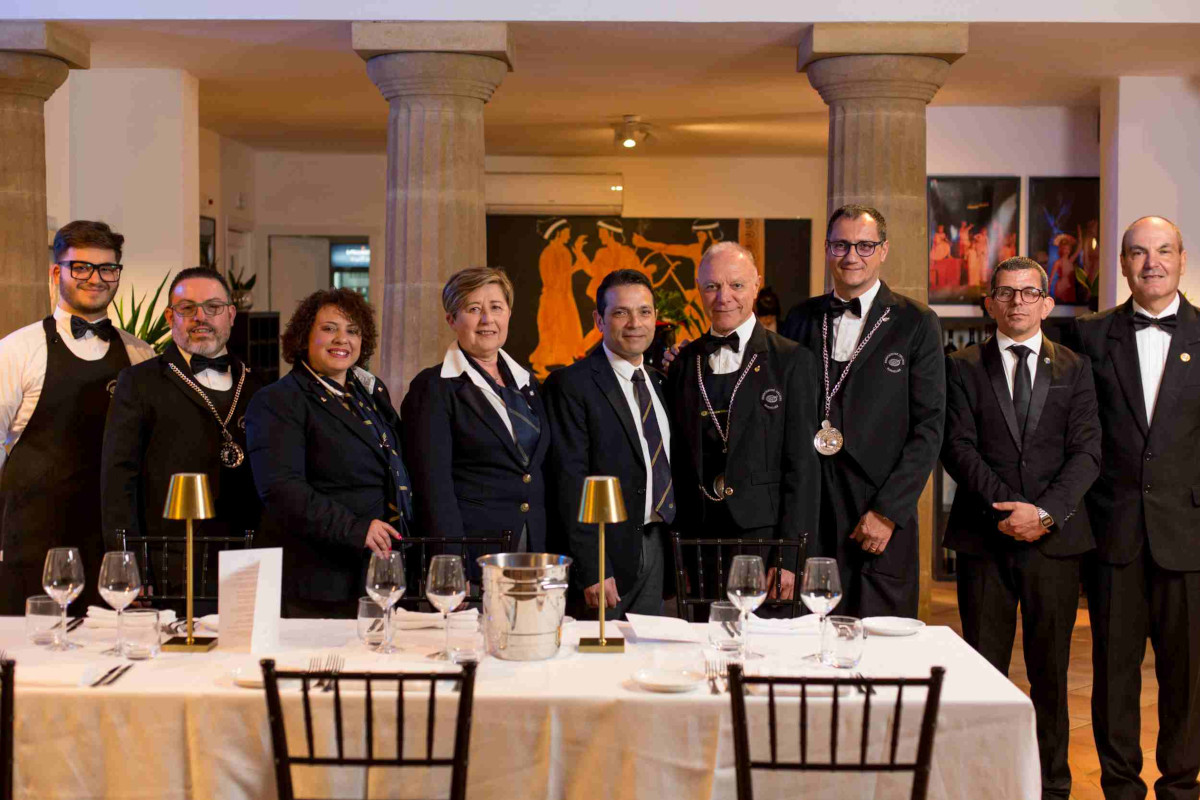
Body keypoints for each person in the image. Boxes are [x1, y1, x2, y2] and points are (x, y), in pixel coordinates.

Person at [942, 257, 1101, 800]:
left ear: (1046, 304)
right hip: (983, 540)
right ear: (990, 302)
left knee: (1050, 675)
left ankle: (1052, 784)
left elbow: (1087, 453)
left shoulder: (1075, 368)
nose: (1016, 302)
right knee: (982, 673)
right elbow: (957, 447)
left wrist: (1045, 513)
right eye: (1005, 293)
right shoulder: (961, 365)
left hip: (1054, 542)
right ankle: (982, 783)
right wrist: (1004, 509)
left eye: (1028, 293)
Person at [1064, 215, 1200, 800]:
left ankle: (1181, 787)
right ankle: (1119, 787)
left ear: (1182, 258)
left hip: (1189, 534)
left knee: (1188, 679)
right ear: (1121, 264)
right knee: (1114, 678)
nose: (1152, 264)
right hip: (1113, 534)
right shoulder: (1087, 337)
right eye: (1139, 253)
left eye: (1163, 251)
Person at [779, 205, 945, 617]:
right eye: (841, 244)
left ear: (883, 250)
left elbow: (929, 427)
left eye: (865, 245)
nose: (852, 255)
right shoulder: (799, 318)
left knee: (881, 642)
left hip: (878, 505)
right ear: (827, 248)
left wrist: (888, 512)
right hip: (811, 504)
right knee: (806, 632)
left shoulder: (917, 322)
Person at [0, 221, 155, 614]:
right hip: (32, 546)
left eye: (107, 269)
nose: (96, 278)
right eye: (81, 267)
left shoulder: (141, 355)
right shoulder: (16, 351)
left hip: (112, 554)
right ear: (57, 272)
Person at [666, 242, 819, 603]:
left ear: (756, 286)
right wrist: (681, 554)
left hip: (764, 540)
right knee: (706, 648)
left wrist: (788, 557)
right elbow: (679, 464)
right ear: (699, 289)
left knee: (765, 652)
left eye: (736, 285)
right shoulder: (684, 364)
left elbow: (803, 468)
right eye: (712, 286)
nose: (723, 298)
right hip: (699, 540)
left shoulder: (793, 361)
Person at [101, 267, 265, 603]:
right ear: (169, 317)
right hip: (169, 564)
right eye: (187, 308)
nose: (200, 317)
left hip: (248, 559)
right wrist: (128, 565)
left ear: (231, 315)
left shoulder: (260, 387)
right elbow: (118, 481)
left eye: (213, 307)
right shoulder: (139, 383)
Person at [246, 288, 411, 618]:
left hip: (371, 571)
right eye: (329, 328)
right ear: (303, 336)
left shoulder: (368, 393)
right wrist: (356, 528)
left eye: (352, 331)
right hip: (314, 578)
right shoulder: (278, 400)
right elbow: (281, 490)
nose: (342, 340)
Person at [402, 267, 550, 578]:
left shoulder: (529, 384)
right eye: (473, 309)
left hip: (533, 545)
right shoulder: (433, 389)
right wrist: (451, 566)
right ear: (452, 320)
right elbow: (434, 489)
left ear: (508, 313)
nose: (487, 319)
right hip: (473, 552)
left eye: (496, 307)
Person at [545, 269, 674, 618]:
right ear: (599, 320)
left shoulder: (662, 385)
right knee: (598, 664)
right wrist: (593, 566)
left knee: (646, 659)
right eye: (621, 312)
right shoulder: (571, 385)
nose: (635, 323)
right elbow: (570, 483)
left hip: (658, 547)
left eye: (644, 311)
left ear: (655, 318)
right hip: (607, 558)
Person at [529, 218, 587, 379]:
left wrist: (576, 265)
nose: (568, 236)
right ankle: (539, 364)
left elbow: (564, 277)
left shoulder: (564, 251)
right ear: (558, 233)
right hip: (553, 298)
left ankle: (568, 360)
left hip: (564, 297)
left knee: (567, 330)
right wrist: (575, 267)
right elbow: (552, 280)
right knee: (552, 331)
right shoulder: (548, 252)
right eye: (566, 232)